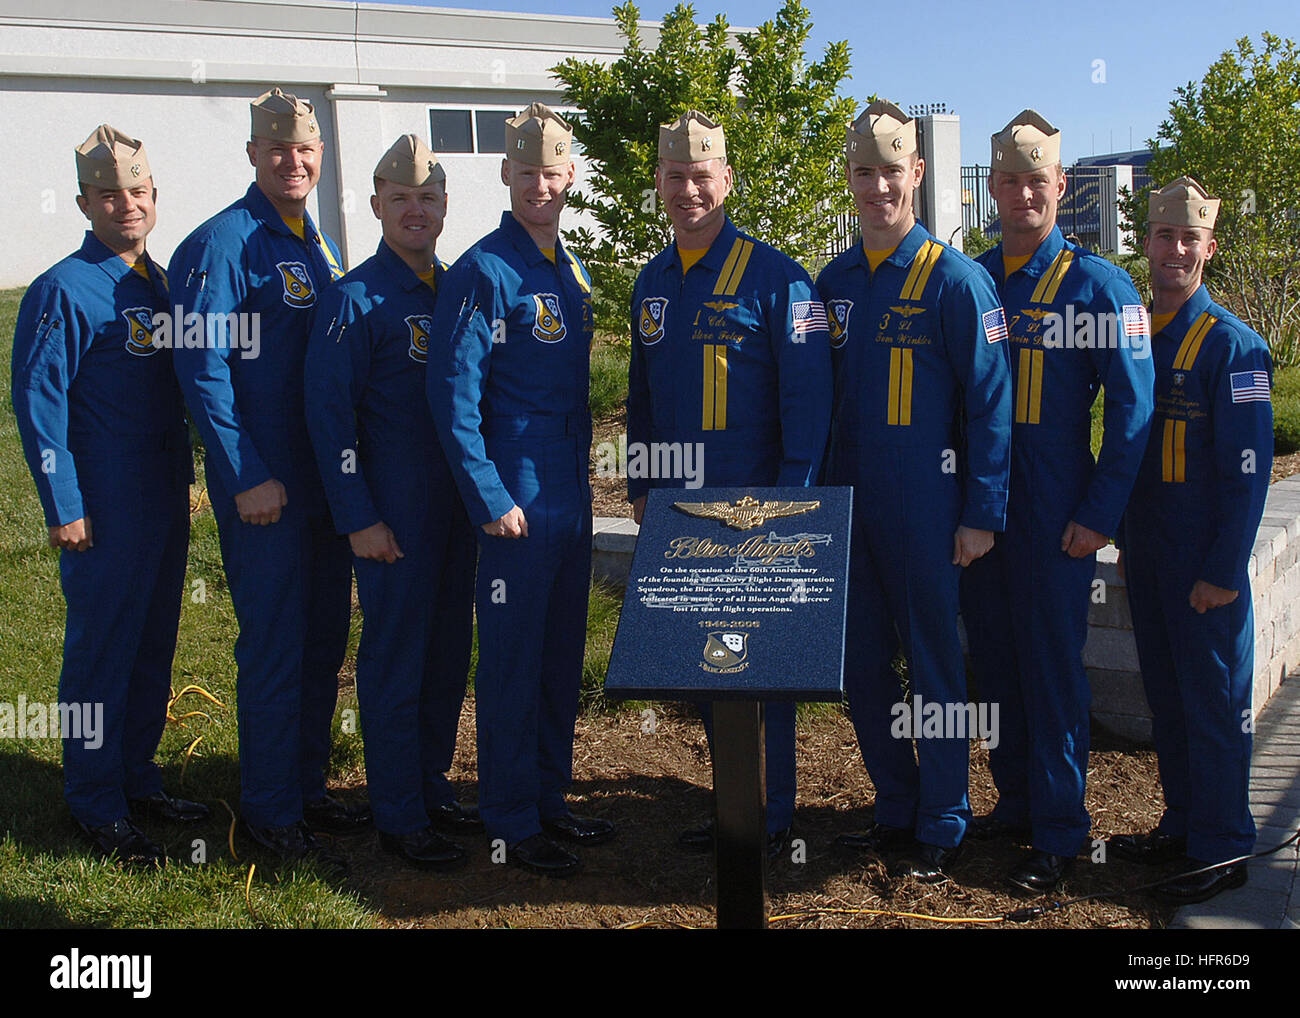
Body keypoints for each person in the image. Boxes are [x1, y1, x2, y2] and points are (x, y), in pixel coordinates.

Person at [959, 110, 1155, 893]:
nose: (1021, 194)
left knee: (1051, 672)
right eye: (1008, 181)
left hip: (1056, 513)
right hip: (983, 510)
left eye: (1035, 181)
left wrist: (1100, 514)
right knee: (995, 665)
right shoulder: (971, 280)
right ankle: (1014, 802)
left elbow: (1134, 413)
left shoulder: (1100, 286)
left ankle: (1061, 831)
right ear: (993, 189)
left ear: (1060, 186)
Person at [627, 110, 832, 859]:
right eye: (675, 177)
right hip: (680, 514)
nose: (689, 191)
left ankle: (771, 818)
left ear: (728, 180)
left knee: (760, 671)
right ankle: (732, 806)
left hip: (755, 514)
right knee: (708, 666)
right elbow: (643, 402)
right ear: (659, 182)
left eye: (702, 176)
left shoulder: (781, 280)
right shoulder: (651, 281)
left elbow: (808, 406)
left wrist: (789, 502)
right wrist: (641, 488)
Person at [815, 102, 1012, 882]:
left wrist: (981, 515)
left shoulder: (956, 283)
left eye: (891, 171)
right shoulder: (829, 284)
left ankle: (945, 815)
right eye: (864, 173)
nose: (877, 187)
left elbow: (992, 406)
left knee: (934, 667)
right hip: (847, 508)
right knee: (861, 664)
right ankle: (893, 806)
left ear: (917, 174)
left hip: (928, 512)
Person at [169, 88, 363, 869]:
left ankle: (306, 787)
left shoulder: (314, 242)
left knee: (323, 642)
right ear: (253, 152)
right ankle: (269, 811)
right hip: (265, 490)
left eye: (306, 149)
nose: (294, 160)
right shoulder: (222, 244)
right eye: (279, 148)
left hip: (321, 484)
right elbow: (201, 369)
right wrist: (245, 472)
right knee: (278, 644)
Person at [427, 102, 614, 877]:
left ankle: (548, 798)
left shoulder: (569, 267)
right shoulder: (483, 271)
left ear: (571, 175)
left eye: (553, 170)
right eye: (527, 171)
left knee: (558, 657)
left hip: (570, 493)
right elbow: (452, 395)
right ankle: (508, 818)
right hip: (516, 499)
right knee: (509, 663)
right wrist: (487, 495)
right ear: (506, 174)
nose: (541, 183)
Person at [11, 124, 205, 866]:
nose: (125, 204)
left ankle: (136, 776)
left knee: (152, 645)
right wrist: (63, 505)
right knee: (102, 652)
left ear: (154, 198)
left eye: (137, 191)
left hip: (161, 497)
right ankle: (95, 801)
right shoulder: (65, 288)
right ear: (85, 203)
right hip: (102, 505)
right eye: (108, 195)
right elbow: (38, 404)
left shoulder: (158, 284)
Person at [305, 135, 479, 871]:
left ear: (445, 207)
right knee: (396, 662)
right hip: (393, 523)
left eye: (428, 198)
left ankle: (430, 785)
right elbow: (328, 416)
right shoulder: (355, 299)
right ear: (375, 204)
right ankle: (397, 812)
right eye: (401, 198)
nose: (416, 210)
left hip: (459, 518)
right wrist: (359, 517)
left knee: (446, 657)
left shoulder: (462, 291)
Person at [1107, 178, 1272, 904]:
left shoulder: (1236, 348)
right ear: (1145, 243)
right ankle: (1182, 822)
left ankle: (1223, 847)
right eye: (1162, 236)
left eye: (1188, 239)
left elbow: (1250, 473)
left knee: (1213, 707)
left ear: (1208, 247)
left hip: (1204, 564)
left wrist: (1224, 569)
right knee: (1168, 701)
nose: (1174, 250)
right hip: (1147, 553)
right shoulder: (1137, 331)